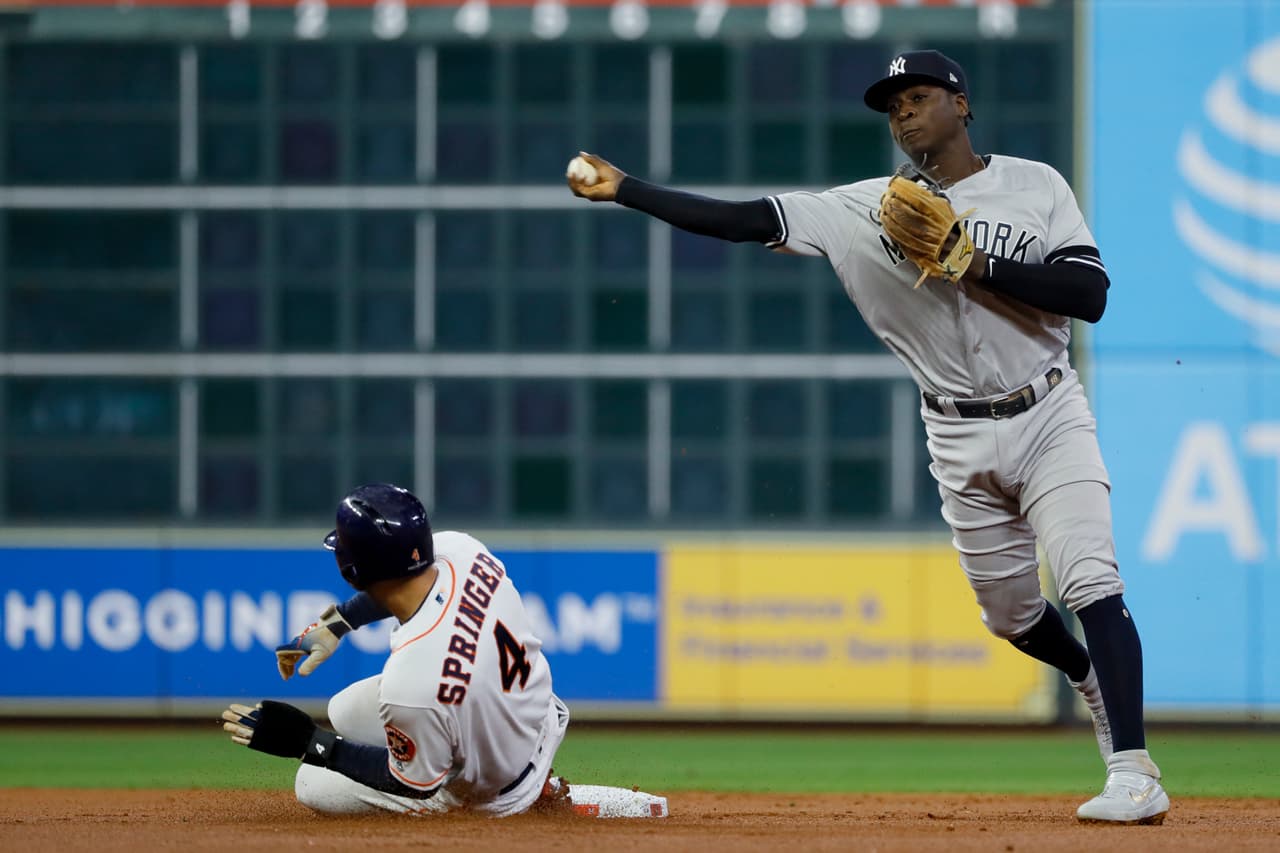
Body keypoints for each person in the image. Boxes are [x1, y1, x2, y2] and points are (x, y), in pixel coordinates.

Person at [566, 50, 1167, 825]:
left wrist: (973, 264)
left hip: (1049, 413)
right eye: (893, 106)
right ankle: (1091, 680)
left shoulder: (1035, 184)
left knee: (1090, 580)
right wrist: (627, 190)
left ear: (962, 104)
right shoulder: (861, 209)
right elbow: (746, 220)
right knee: (1012, 617)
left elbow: (1090, 296)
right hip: (953, 431)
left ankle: (1134, 769)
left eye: (919, 96)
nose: (904, 112)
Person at [220, 482, 668, 819]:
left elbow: (409, 782)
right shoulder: (461, 549)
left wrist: (310, 743)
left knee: (310, 783)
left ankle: (527, 801)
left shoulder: (411, 682)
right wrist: (338, 623)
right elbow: (399, 581)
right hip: (535, 713)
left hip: (498, 788)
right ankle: (522, 774)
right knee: (343, 709)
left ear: (352, 570)